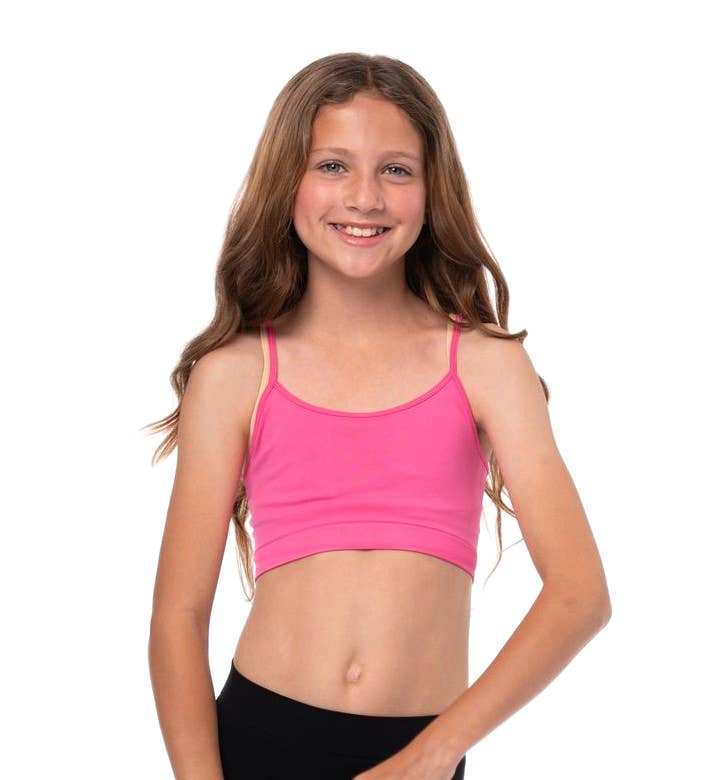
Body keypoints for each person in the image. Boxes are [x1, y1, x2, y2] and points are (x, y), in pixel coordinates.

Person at [146, 52, 612, 780]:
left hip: (420, 755)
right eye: (332, 166)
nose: (364, 197)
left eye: (395, 170)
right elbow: (178, 618)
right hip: (258, 738)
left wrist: (434, 754)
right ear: (288, 182)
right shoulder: (236, 374)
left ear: (432, 191)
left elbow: (580, 595)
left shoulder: (486, 365)